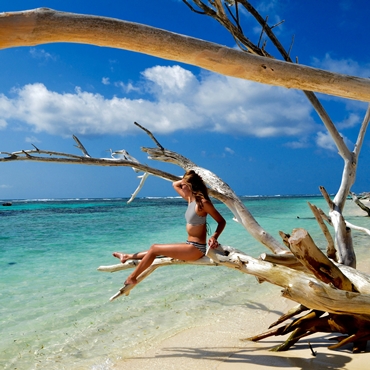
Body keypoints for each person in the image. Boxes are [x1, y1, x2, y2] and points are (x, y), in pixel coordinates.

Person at [113, 170, 226, 285]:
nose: (181, 188)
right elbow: (174, 184)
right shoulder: (190, 199)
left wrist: (214, 237)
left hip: (196, 249)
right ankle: (127, 256)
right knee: (155, 251)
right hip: (189, 245)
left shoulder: (203, 203)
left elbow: (221, 221)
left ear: (190, 186)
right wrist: (186, 180)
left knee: (154, 248)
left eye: (184, 186)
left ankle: (132, 278)